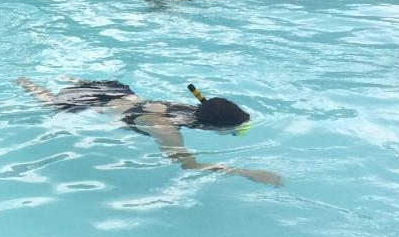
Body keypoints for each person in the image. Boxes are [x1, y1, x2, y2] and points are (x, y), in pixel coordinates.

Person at [16, 77, 282, 186]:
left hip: (113, 91)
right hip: (91, 104)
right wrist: (245, 172)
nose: (237, 134)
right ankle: (25, 82)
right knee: (50, 104)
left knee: (77, 86)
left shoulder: (195, 108)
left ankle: (68, 79)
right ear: (214, 127)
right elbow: (189, 166)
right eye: (236, 131)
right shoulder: (167, 130)